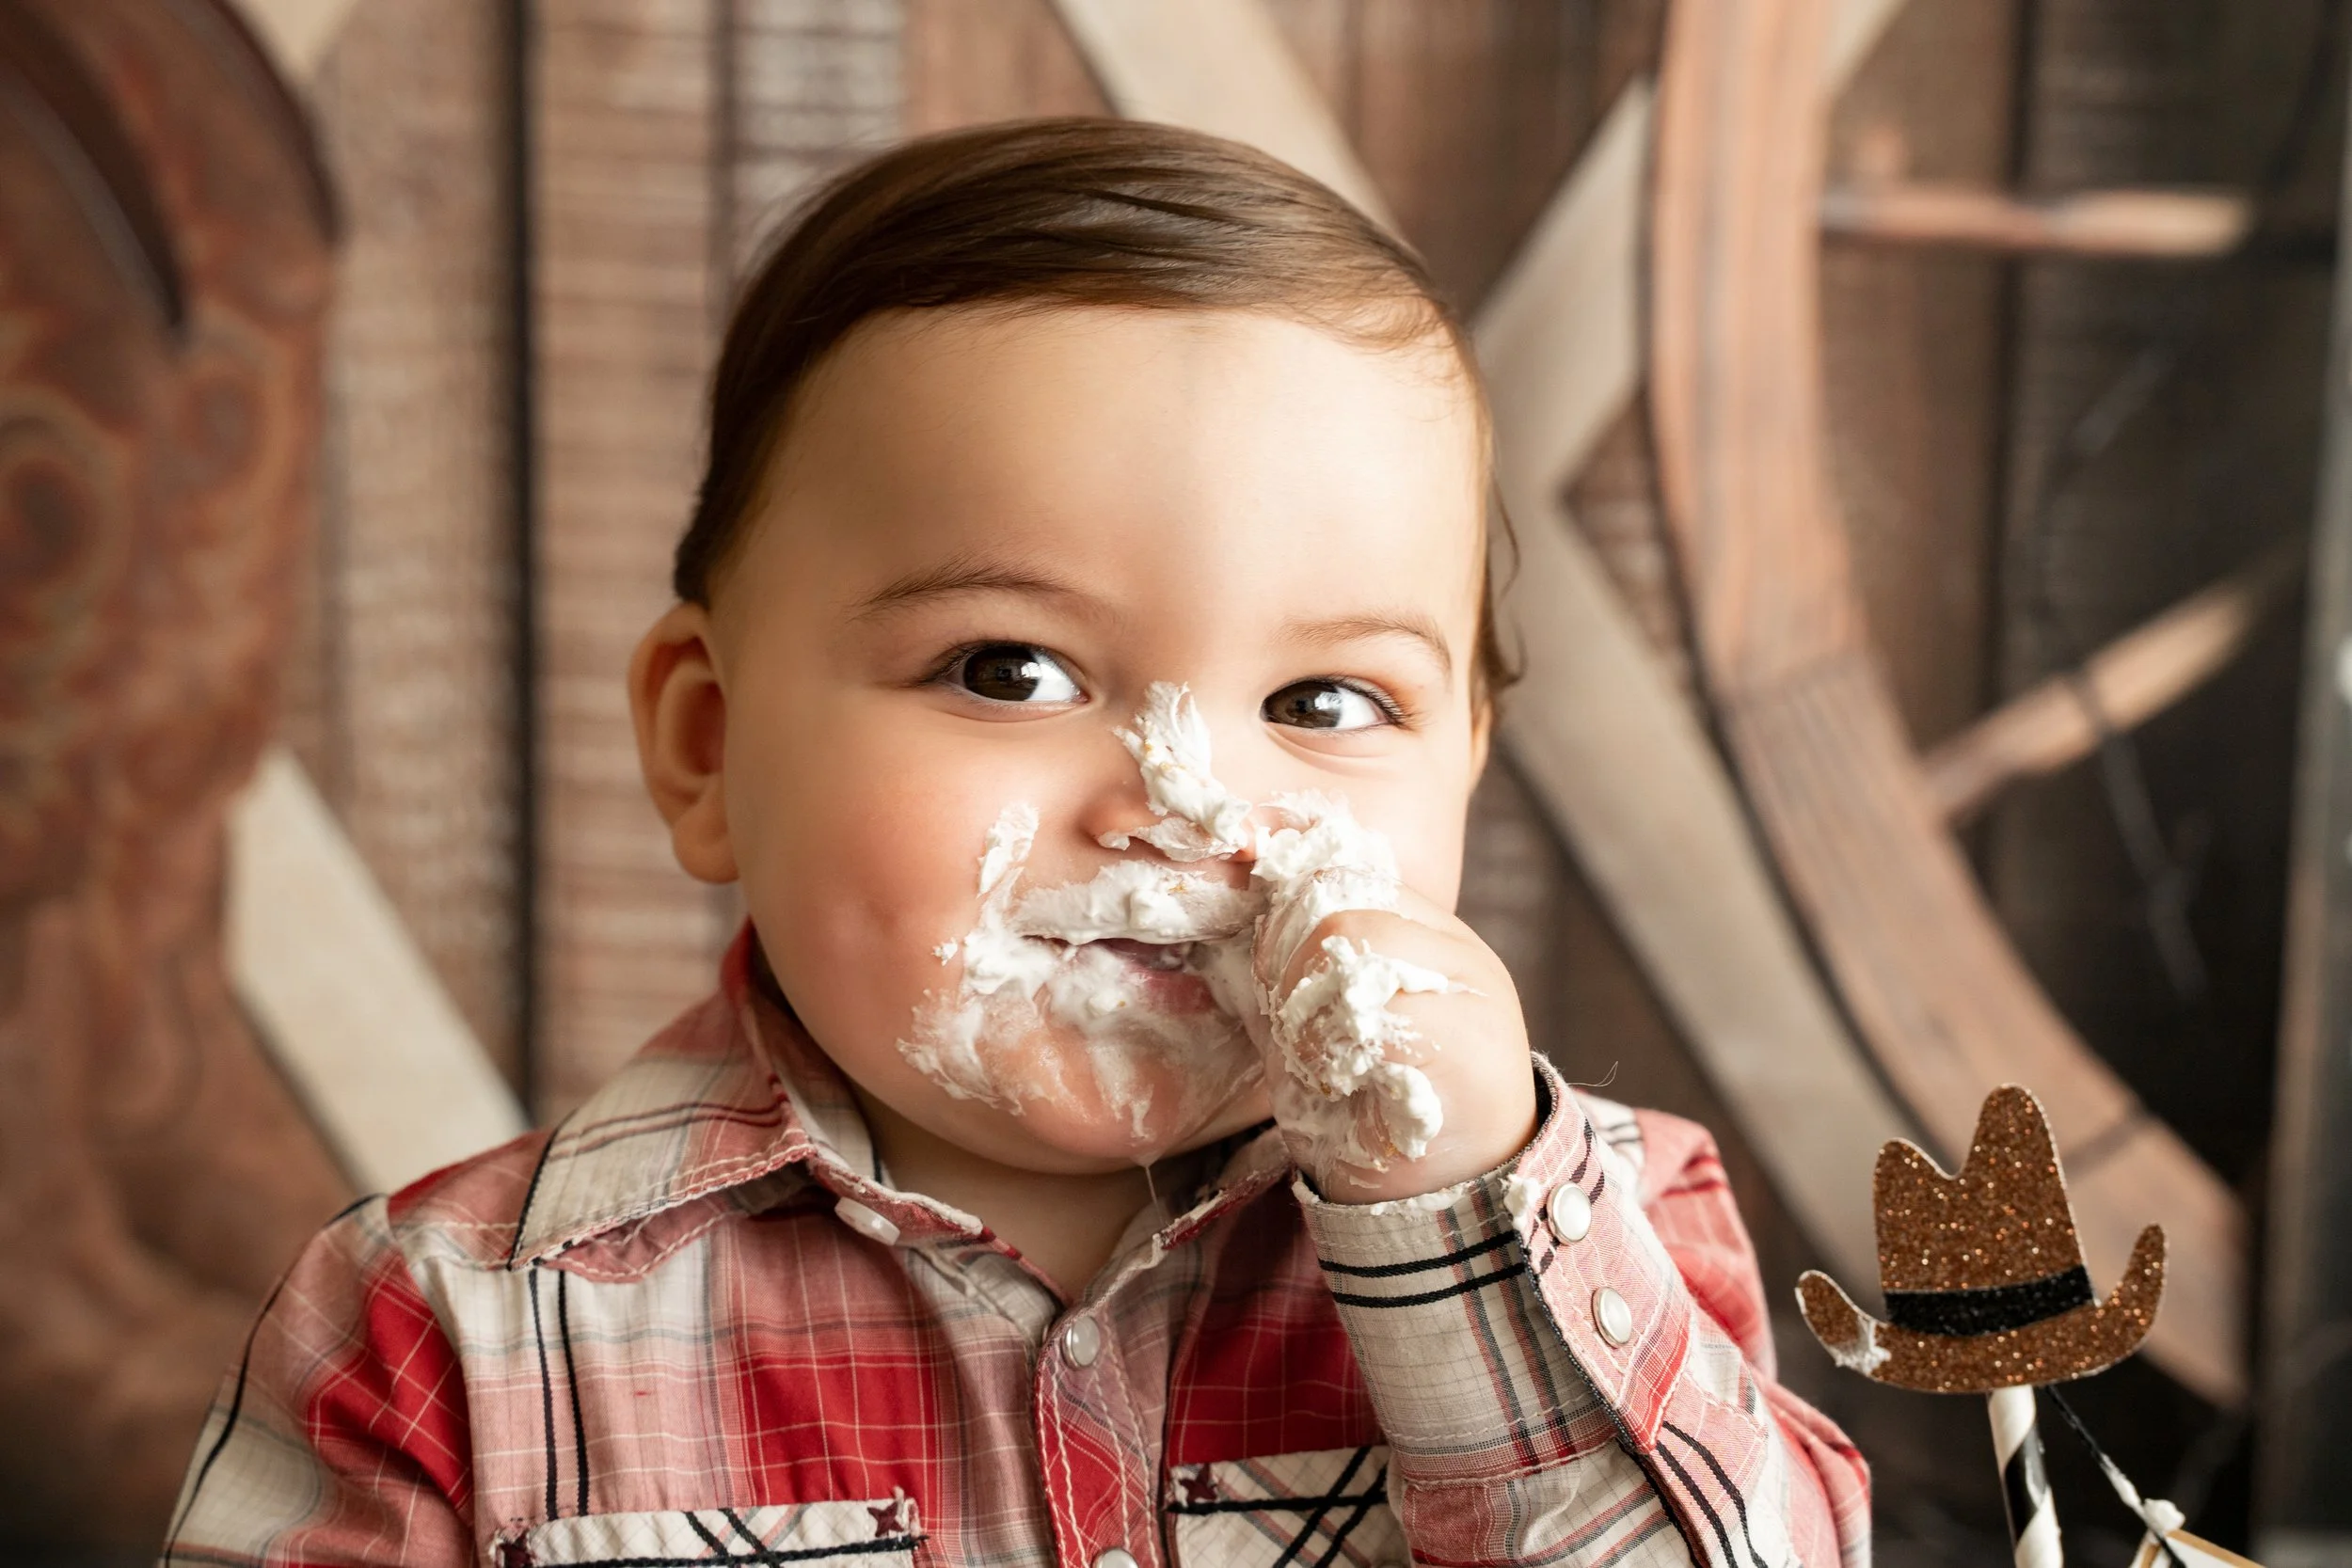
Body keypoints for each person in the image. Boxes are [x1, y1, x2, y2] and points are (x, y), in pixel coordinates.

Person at [162, 119, 1869, 1567]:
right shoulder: (448, 1337)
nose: (1178, 800)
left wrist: (1456, 1219)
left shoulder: (1609, 1237)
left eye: (1329, 702)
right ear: (707, 743)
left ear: (1464, 780)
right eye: (1012, 670)